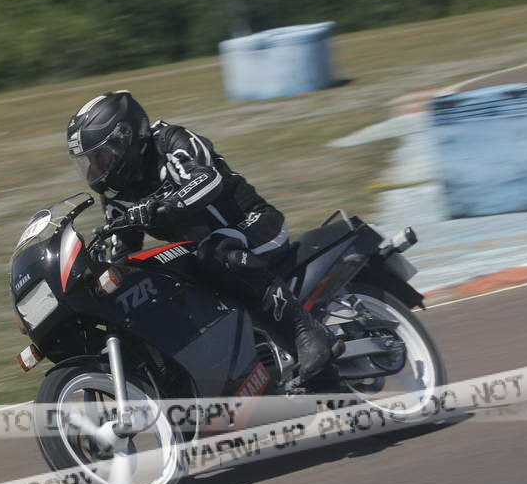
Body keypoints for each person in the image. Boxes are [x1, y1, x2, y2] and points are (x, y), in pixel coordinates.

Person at [66, 90, 342, 384]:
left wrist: (164, 206)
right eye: (89, 162)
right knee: (161, 277)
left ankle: (306, 331)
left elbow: (207, 179)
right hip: (204, 251)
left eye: (100, 157)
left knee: (215, 252)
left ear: (125, 138)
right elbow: (123, 253)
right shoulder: (117, 194)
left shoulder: (169, 141)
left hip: (255, 224)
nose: (96, 169)